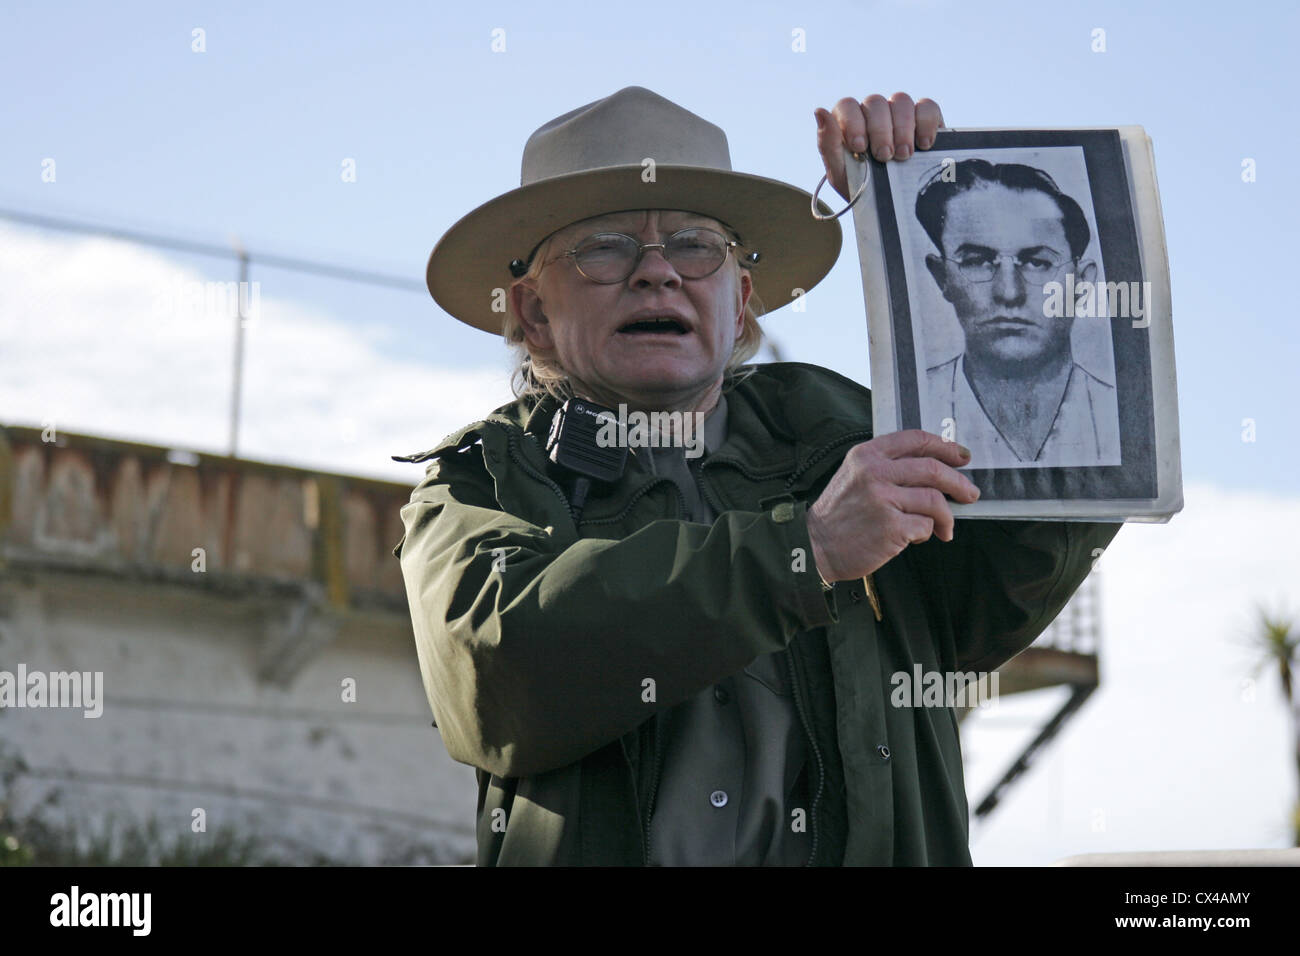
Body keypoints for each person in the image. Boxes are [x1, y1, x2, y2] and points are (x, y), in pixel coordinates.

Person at [392, 86, 1122, 865]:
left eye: (694, 245)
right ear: (534, 314)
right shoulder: (481, 483)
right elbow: (503, 670)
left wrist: (914, 218)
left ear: (739, 305)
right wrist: (804, 552)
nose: (657, 273)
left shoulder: (855, 436)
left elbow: (1016, 558)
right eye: (604, 247)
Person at [918, 159, 1121, 468]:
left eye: (1038, 263)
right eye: (977, 260)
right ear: (942, 277)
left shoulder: (1121, 417)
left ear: (1082, 283)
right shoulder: (901, 416)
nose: (1009, 292)